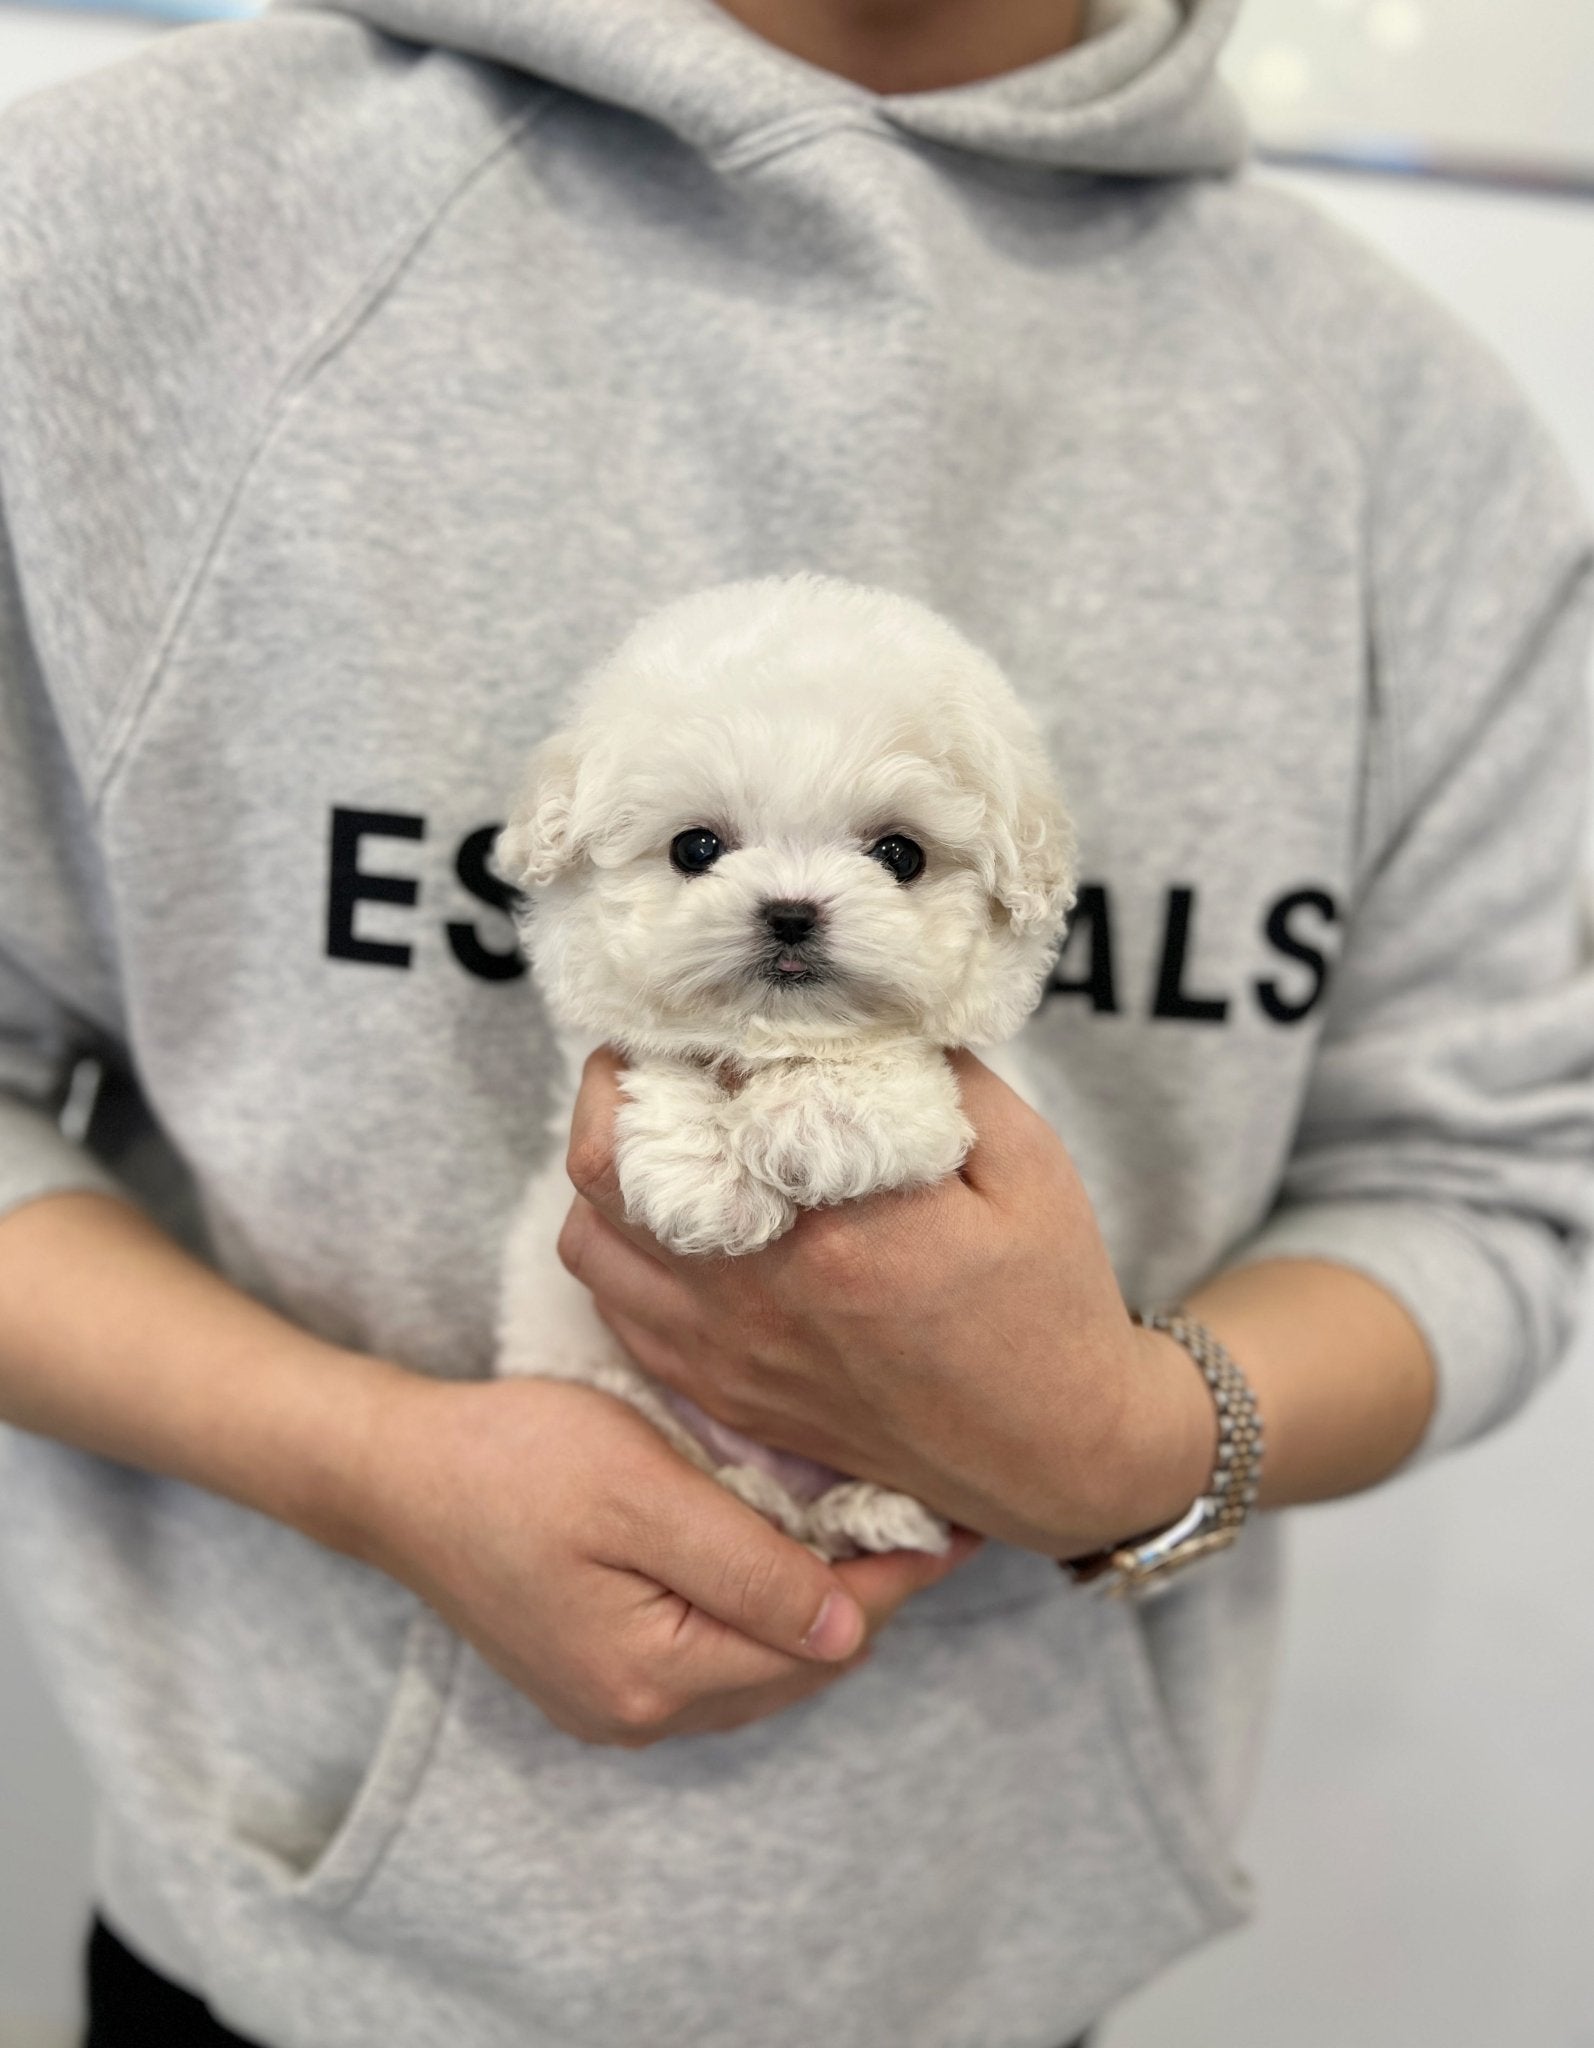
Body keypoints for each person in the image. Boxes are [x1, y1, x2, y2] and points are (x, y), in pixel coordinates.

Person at [1, 0, 1590, 2042]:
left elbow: (1489, 1180)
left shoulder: (1412, 436)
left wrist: (1123, 1438)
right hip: (305, 1946)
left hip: (1009, 1962)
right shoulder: (115, 240)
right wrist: (364, 1460)